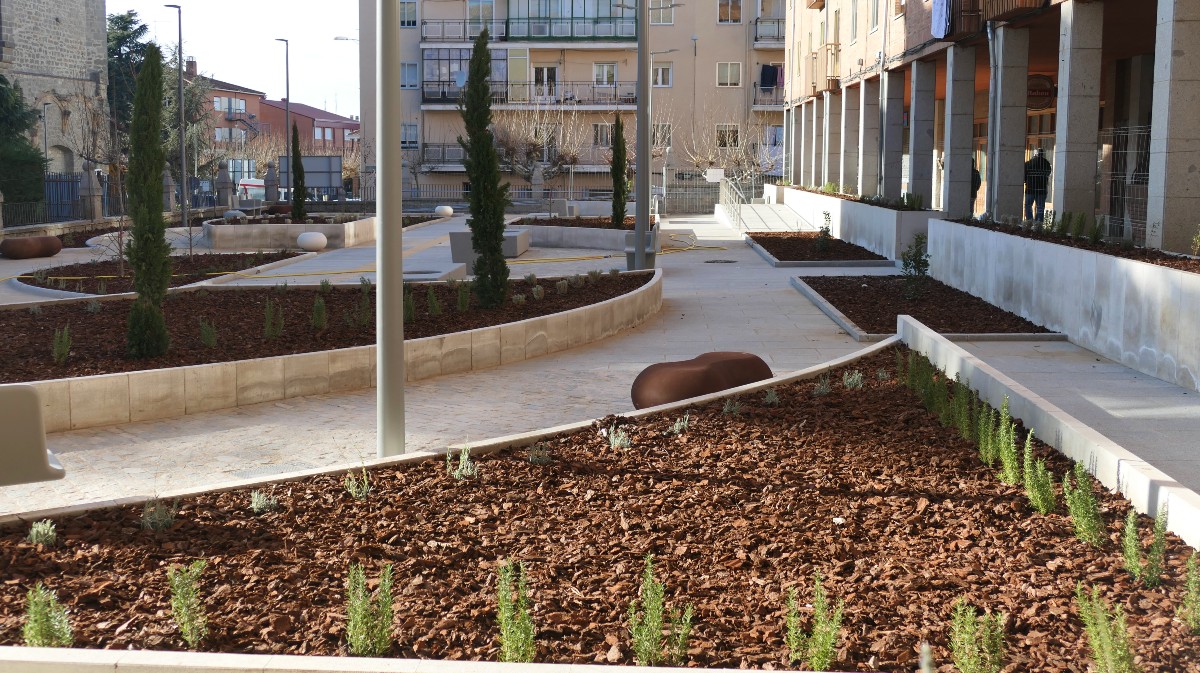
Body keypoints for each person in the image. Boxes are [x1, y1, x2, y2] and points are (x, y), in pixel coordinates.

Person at [1024, 148, 1052, 222]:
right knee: (1040, 207)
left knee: (1028, 206)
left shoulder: (1028, 163)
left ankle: (1029, 222)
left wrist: (1026, 180)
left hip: (1030, 189)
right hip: (1042, 190)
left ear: (1035, 154)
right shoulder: (1046, 163)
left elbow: (1024, 175)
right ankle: (1038, 224)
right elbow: (1048, 174)